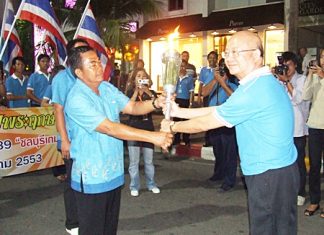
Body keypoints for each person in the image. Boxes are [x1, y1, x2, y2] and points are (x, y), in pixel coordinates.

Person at [161, 31, 299, 235]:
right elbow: (218, 110)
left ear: (257, 55)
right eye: (227, 52)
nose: (229, 57)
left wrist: (172, 127)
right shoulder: (254, 84)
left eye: (236, 52)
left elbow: (210, 121)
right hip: (277, 172)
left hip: (270, 174)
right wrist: (179, 111)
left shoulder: (255, 89)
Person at [65, 46, 172, 235]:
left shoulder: (105, 87)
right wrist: (153, 137)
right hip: (92, 178)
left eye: (98, 62)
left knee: (109, 229)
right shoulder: (76, 99)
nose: (99, 67)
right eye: (92, 64)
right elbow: (110, 128)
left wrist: (155, 103)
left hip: (112, 174)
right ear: (79, 72)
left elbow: (132, 107)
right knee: (93, 231)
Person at [51, 38, 90, 235]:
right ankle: (72, 223)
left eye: (86, 49)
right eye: (79, 50)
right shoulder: (61, 79)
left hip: (88, 139)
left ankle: (87, 218)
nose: (83, 53)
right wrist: (64, 141)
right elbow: (58, 110)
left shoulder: (88, 77)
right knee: (72, 182)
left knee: (87, 181)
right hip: (71, 140)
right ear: (70, 56)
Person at [275, 51, 310, 206]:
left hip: (298, 129)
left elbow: (299, 99)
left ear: (295, 64)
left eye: (288, 65)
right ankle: (286, 190)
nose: (286, 68)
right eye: (284, 65)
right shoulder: (278, 81)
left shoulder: (302, 80)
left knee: (298, 163)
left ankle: (300, 191)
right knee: (283, 163)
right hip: (282, 129)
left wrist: (287, 81)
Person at [203, 58, 239, 192]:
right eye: (221, 66)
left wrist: (223, 84)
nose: (223, 69)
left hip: (228, 121)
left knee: (229, 151)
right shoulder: (213, 78)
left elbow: (235, 98)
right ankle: (219, 174)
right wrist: (215, 80)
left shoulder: (235, 81)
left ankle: (229, 181)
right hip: (214, 119)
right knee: (218, 149)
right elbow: (203, 93)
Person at [126, 68, 160, 197]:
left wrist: (147, 92)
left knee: (149, 161)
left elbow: (158, 108)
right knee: (134, 161)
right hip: (133, 129)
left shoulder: (151, 92)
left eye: (143, 76)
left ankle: (151, 184)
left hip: (148, 129)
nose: (140, 78)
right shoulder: (130, 92)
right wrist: (136, 92)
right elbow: (127, 107)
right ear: (134, 79)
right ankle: (134, 186)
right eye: (138, 76)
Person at [302, 49, 324, 218]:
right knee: (314, 166)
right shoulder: (316, 75)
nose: (323, 60)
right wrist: (310, 75)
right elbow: (305, 96)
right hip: (315, 126)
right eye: (322, 57)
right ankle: (315, 200)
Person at [42, 65, 67, 182]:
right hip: (55, 119)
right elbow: (44, 103)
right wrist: (56, 105)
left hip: (67, 120)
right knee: (57, 146)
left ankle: (67, 170)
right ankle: (58, 172)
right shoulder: (51, 87)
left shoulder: (70, 87)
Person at [172, 60, 195, 150]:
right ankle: (177, 139)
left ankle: (186, 139)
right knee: (176, 121)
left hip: (185, 101)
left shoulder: (189, 78)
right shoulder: (175, 78)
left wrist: (191, 103)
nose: (182, 68)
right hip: (177, 101)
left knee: (186, 121)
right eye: (180, 66)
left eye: (184, 67)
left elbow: (191, 92)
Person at [198, 51, 218, 146]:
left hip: (216, 95)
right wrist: (199, 97)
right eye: (210, 58)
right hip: (206, 96)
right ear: (208, 59)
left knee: (215, 117)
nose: (212, 60)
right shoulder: (204, 70)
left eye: (214, 58)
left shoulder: (218, 70)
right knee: (206, 118)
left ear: (216, 59)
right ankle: (207, 140)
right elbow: (201, 84)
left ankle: (215, 140)